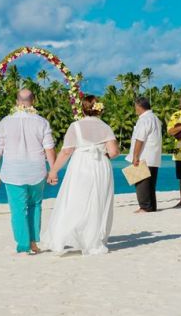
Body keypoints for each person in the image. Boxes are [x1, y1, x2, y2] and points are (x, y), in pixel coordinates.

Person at [43, 95, 120, 255]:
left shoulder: (75, 126)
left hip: (81, 165)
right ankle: (92, 239)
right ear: (99, 109)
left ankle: (65, 236)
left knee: (75, 199)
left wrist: (54, 170)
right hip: (100, 166)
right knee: (97, 201)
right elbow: (113, 152)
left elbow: (66, 151)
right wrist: (103, 155)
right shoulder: (106, 127)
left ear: (83, 109)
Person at [0, 89, 56, 254]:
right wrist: (53, 170)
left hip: (13, 172)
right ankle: (33, 243)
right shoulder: (42, 122)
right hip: (37, 171)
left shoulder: (5, 122)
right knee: (35, 205)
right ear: (32, 101)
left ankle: (23, 245)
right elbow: (49, 148)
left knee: (18, 208)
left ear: (17, 101)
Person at [127, 96, 163, 213]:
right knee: (150, 185)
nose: (135, 109)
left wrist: (135, 156)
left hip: (145, 156)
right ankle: (151, 206)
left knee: (141, 183)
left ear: (139, 106)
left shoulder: (144, 119)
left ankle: (145, 207)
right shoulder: (155, 118)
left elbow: (140, 139)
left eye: (135, 107)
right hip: (154, 156)